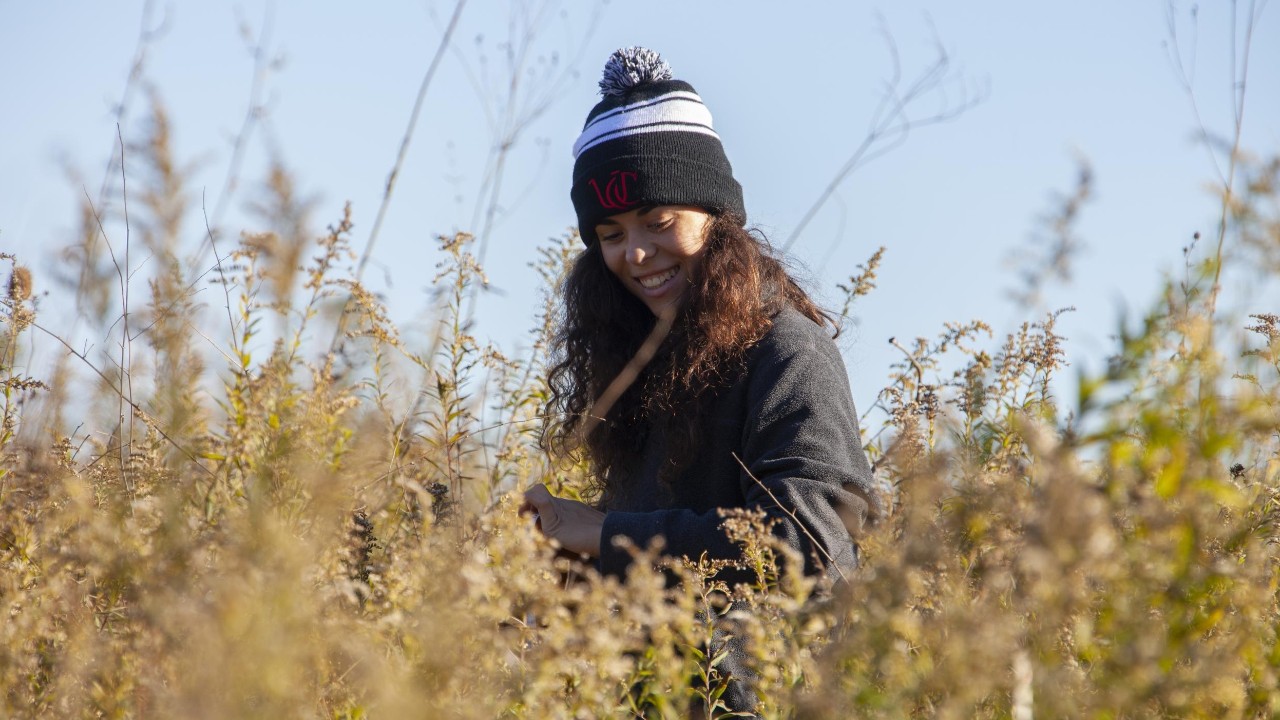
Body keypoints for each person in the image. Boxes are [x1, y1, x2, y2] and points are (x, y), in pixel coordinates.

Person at [523, 46, 881, 714]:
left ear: (718, 219)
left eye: (659, 222)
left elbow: (814, 547)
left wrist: (605, 534)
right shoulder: (641, 364)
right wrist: (567, 561)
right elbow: (664, 564)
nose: (635, 253)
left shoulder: (787, 353)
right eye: (610, 233)